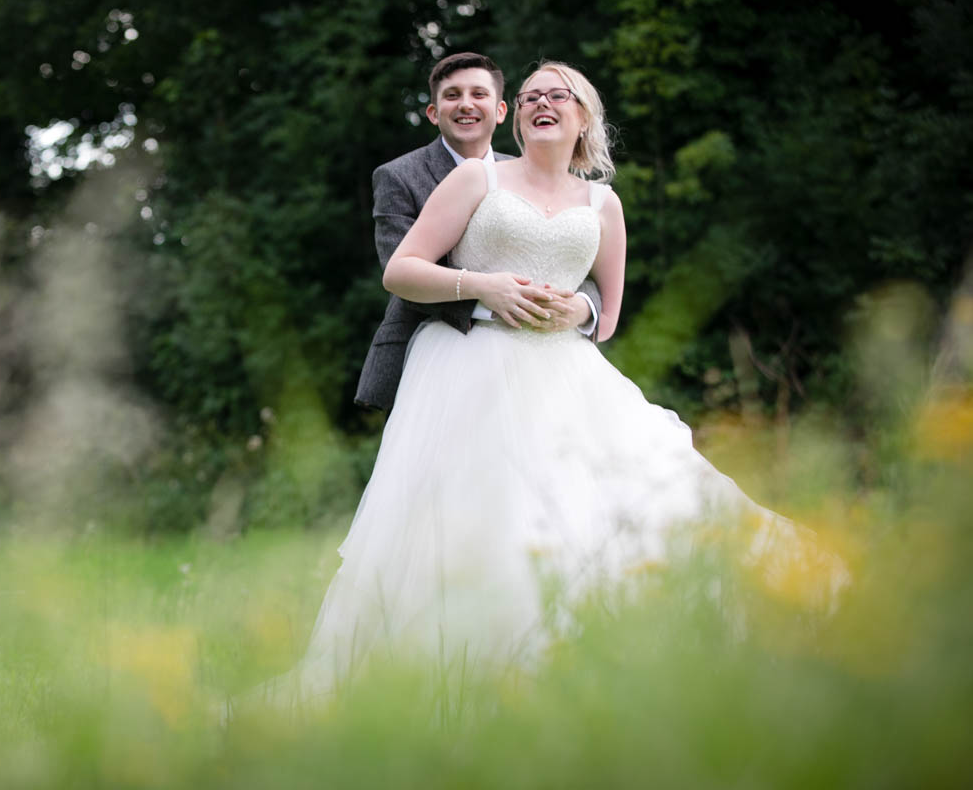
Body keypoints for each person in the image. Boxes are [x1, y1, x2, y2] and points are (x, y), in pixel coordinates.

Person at [268, 61, 836, 708]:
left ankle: (605, 659)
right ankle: (468, 671)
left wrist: (580, 311)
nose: (543, 103)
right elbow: (401, 269)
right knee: (483, 514)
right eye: (533, 95)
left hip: (566, 373)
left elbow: (609, 312)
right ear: (516, 115)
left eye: (557, 96)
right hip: (469, 365)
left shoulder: (602, 202)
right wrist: (485, 286)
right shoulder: (476, 178)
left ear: (583, 116)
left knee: (618, 501)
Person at [355, 52, 600, 412]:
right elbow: (402, 273)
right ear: (434, 113)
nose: (465, 104)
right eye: (452, 95)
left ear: (502, 111)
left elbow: (577, 262)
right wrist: (489, 294)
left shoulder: (528, 174)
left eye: (478, 94)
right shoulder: (398, 176)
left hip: (542, 359)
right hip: (438, 359)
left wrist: (582, 307)